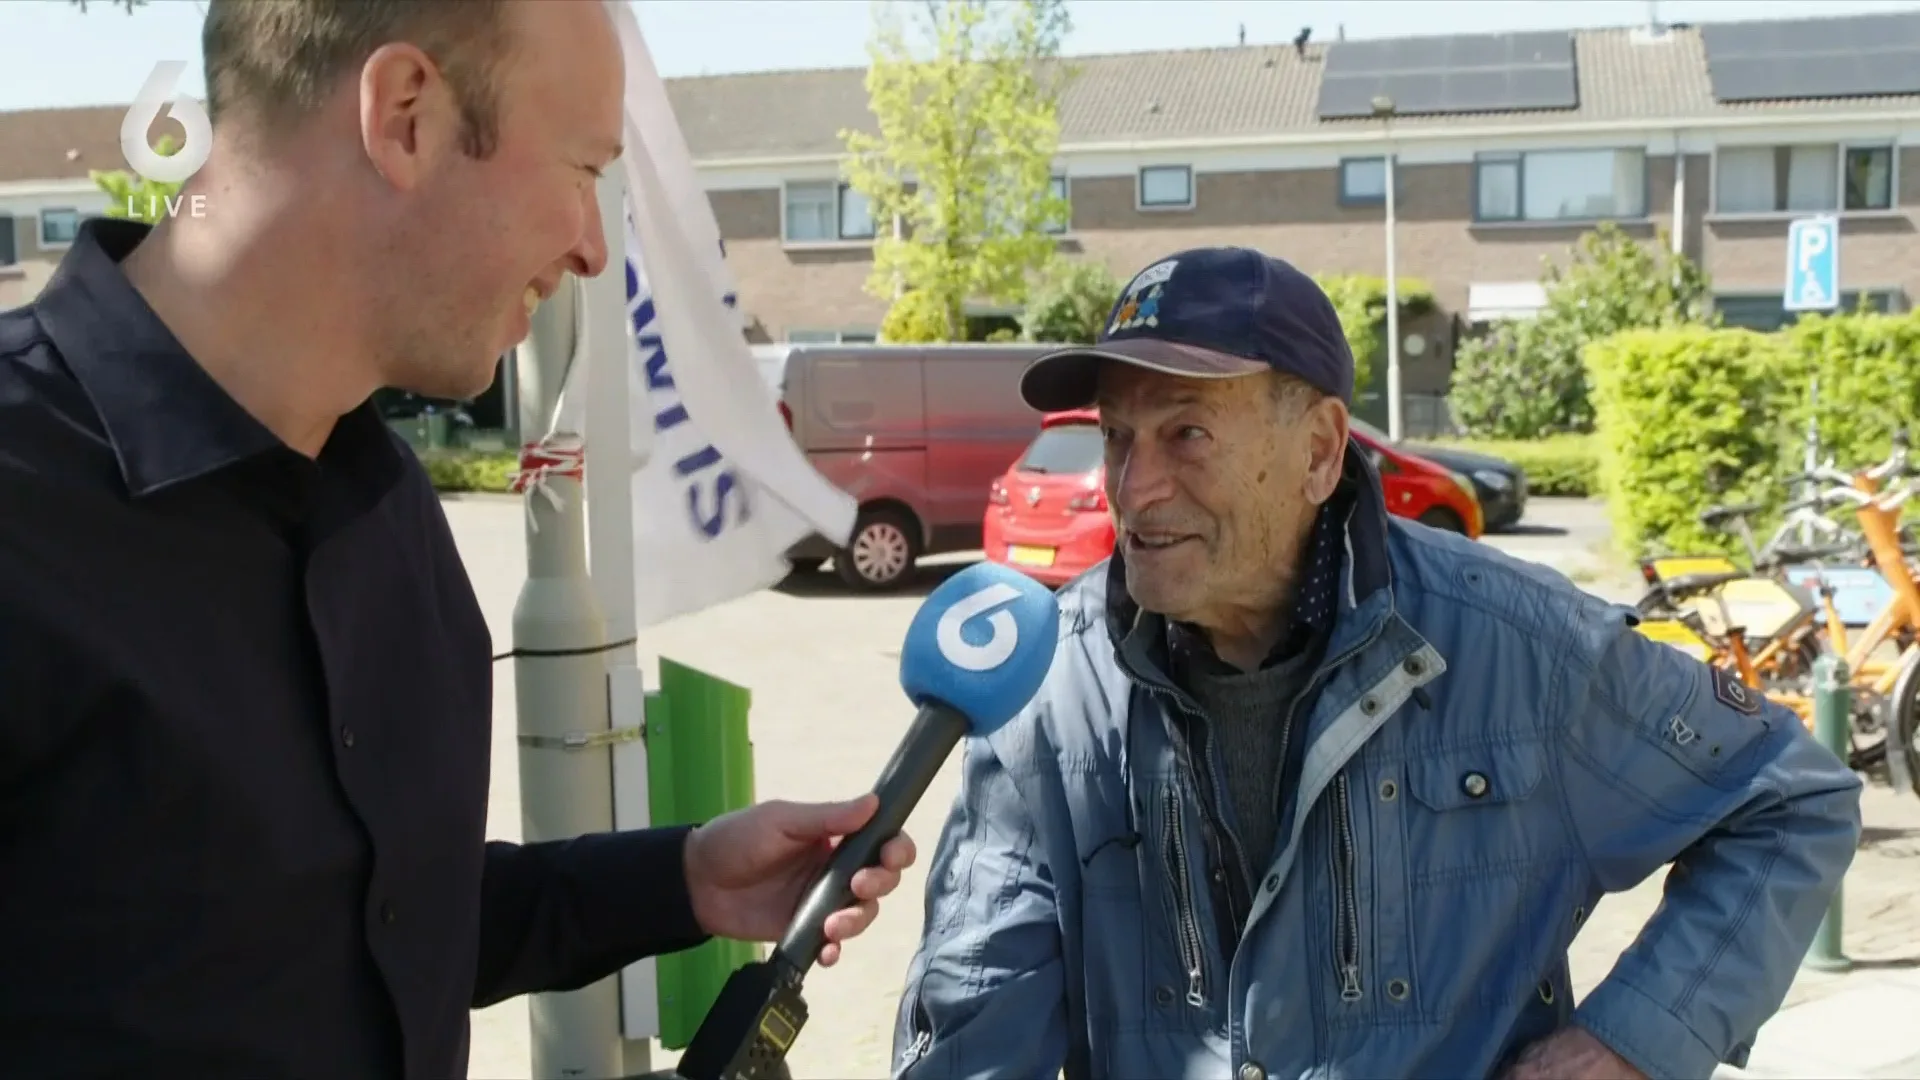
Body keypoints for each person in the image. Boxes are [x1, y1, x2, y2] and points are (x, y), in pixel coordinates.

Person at [0, 2, 914, 1077]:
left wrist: (682, 880)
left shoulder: (389, 512)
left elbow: (366, 928)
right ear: (406, 118)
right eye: (583, 170)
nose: (590, 247)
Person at [890, 246, 1862, 1080]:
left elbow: (1787, 799)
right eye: (1116, 438)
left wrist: (1636, 1040)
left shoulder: (1519, 648)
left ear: (1318, 452)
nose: (1134, 490)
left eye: (1185, 433)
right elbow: (977, 1023)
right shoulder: (1046, 692)